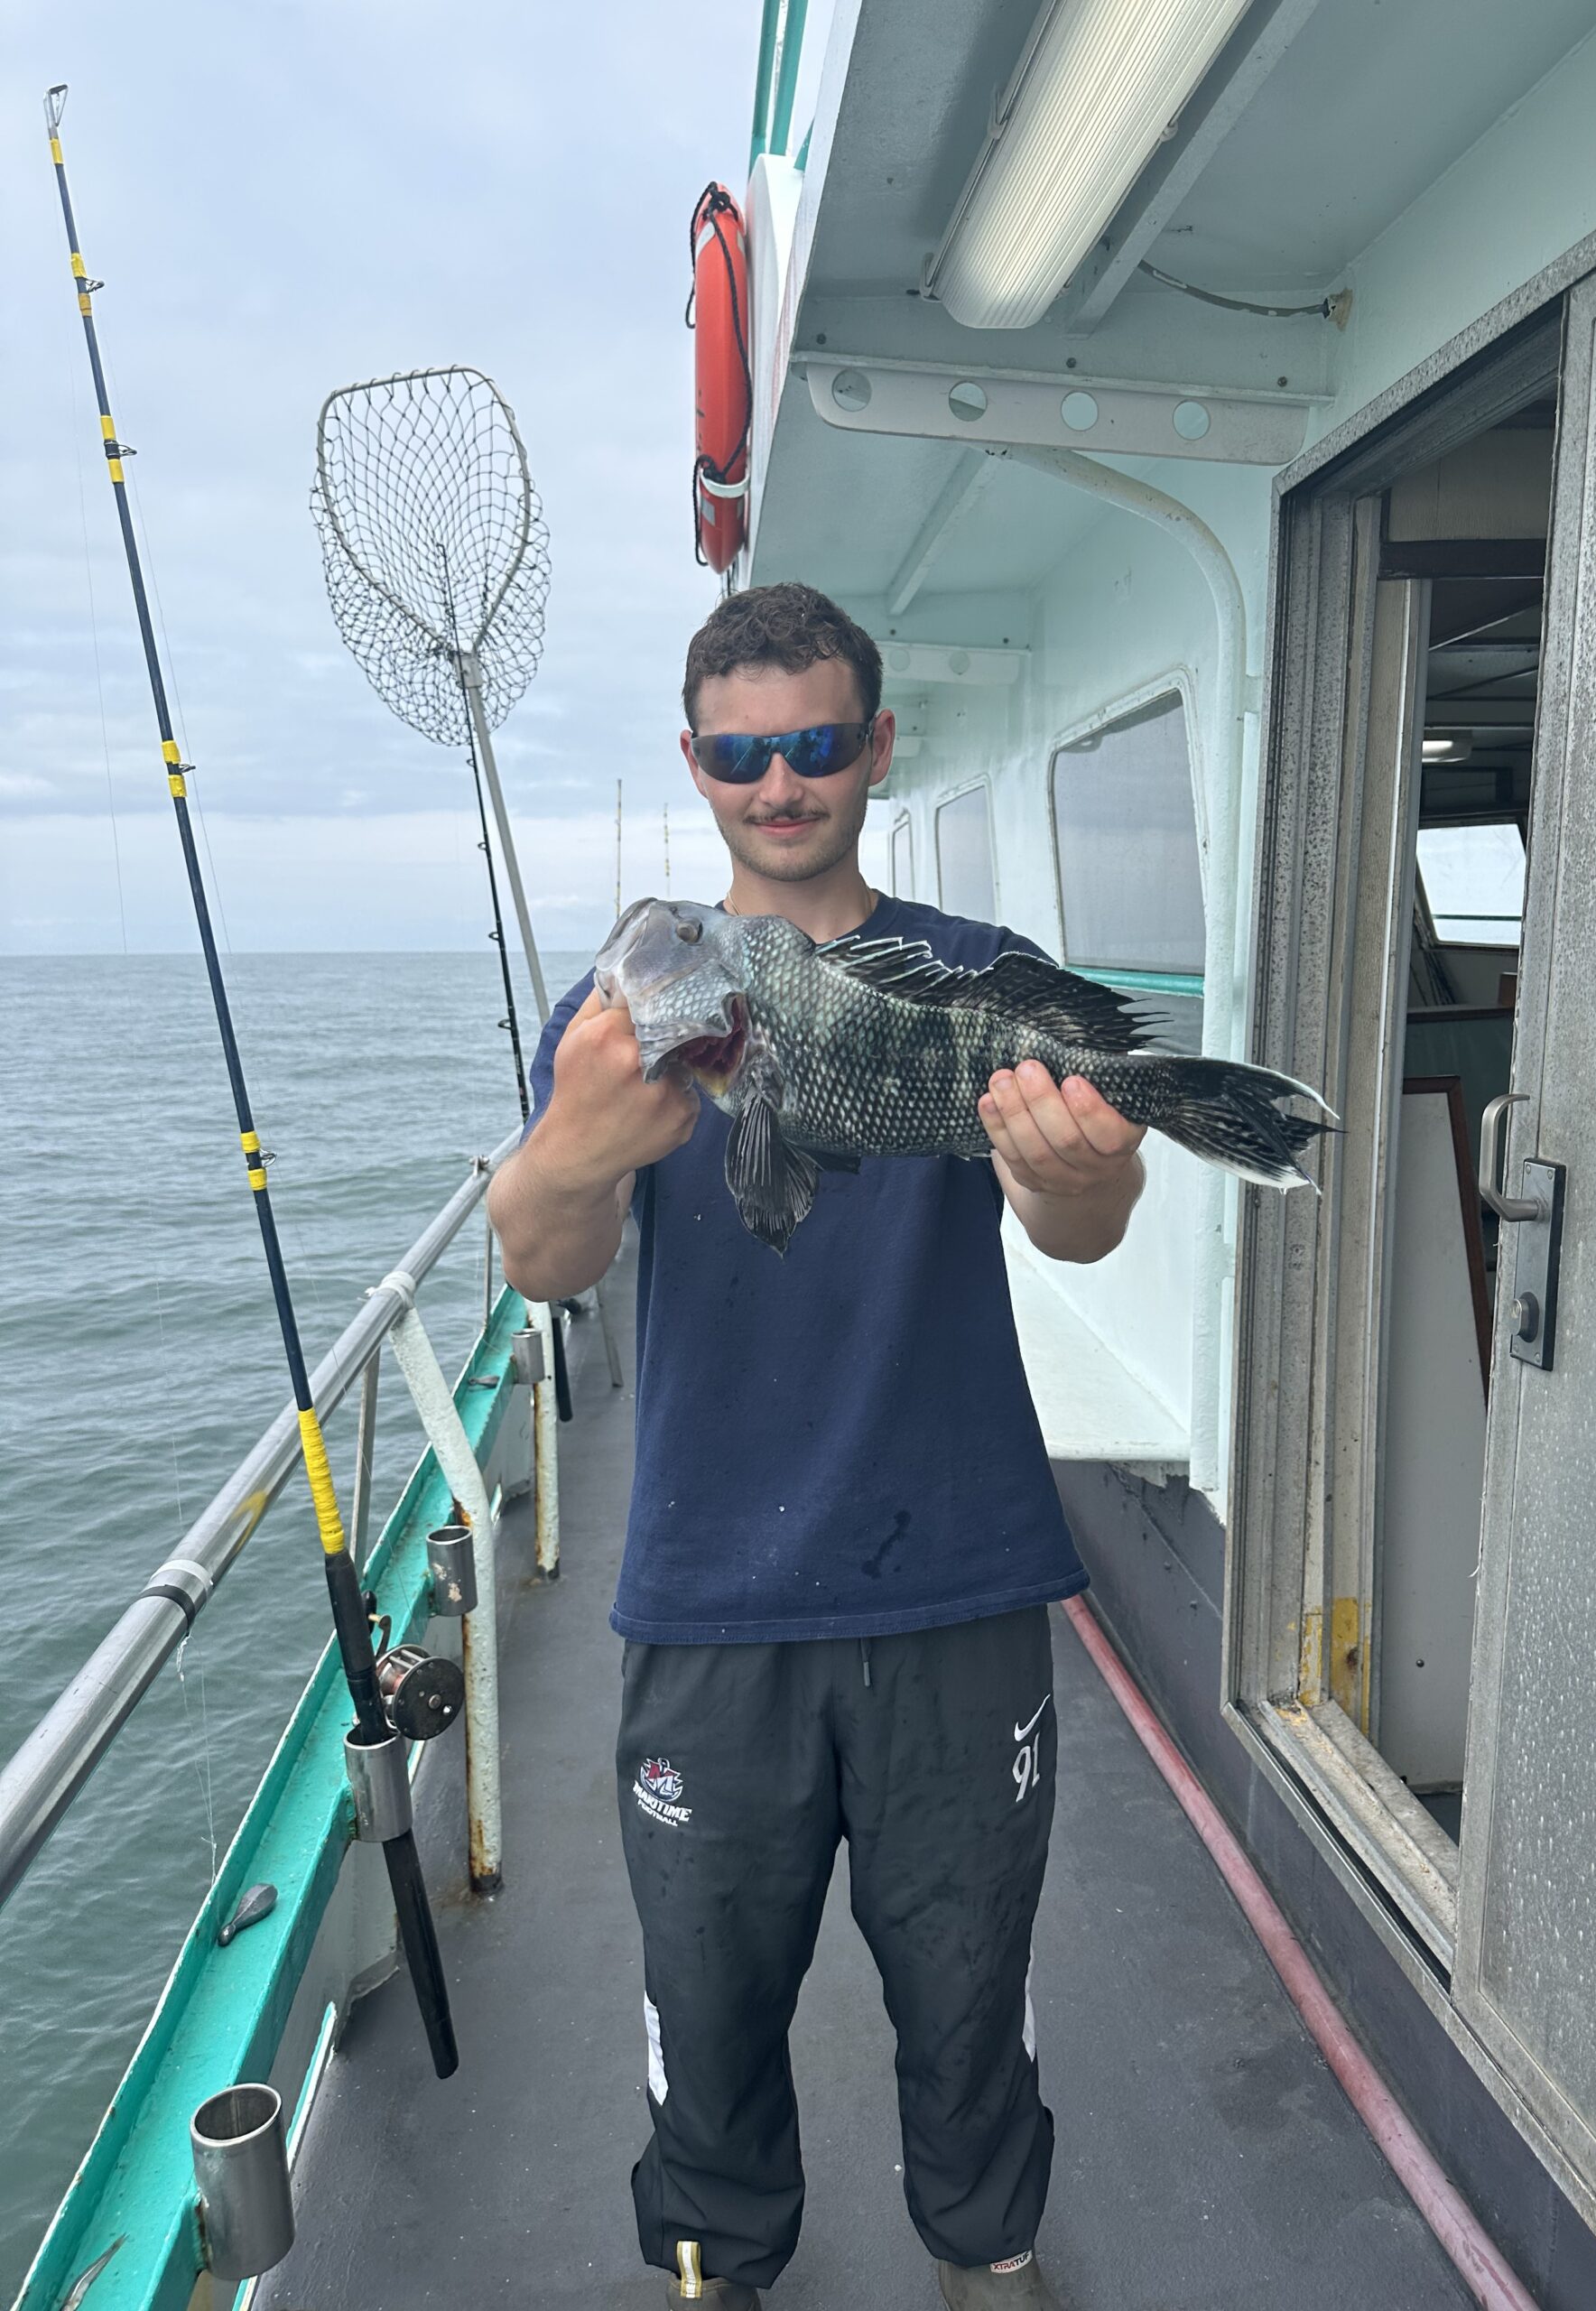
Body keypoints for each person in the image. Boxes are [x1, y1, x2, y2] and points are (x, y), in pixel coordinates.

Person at [488, 583, 1146, 2309]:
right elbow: (546, 1260)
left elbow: (1080, 1230)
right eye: (743, 753)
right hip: (710, 1604)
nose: (782, 783)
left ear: (875, 744)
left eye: (816, 744)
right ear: (695, 764)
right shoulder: (628, 1001)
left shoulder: (967, 978)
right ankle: (716, 2258)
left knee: (967, 1979)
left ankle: (987, 2250)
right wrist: (569, 1147)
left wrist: (1088, 1175)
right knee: (704, 1996)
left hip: (961, 1581)